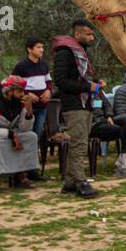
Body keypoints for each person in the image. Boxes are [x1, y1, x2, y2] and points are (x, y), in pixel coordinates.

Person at [52, 20, 106, 197]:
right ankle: (81, 182)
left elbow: (81, 79)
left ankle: (70, 183)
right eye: (88, 34)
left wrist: (96, 84)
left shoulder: (80, 52)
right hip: (74, 105)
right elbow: (61, 80)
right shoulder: (65, 52)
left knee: (80, 142)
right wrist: (87, 88)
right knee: (79, 145)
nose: (92, 38)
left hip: (85, 103)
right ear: (77, 35)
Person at [0, 75, 40, 188]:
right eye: (20, 91)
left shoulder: (19, 101)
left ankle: (20, 174)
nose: (22, 94)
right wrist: (11, 134)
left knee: (31, 136)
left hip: (7, 132)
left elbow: (25, 129)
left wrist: (29, 110)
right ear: (10, 91)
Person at [11, 36, 52, 181]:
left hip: (42, 106)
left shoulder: (44, 65)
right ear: (29, 49)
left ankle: (33, 169)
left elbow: (48, 82)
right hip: (27, 108)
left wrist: (48, 91)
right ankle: (22, 170)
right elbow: (14, 86)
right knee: (27, 135)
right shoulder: (21, 66)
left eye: (42, 47)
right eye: (38, 47)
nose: (41, 50)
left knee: (37, 136)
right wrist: (28, 95)